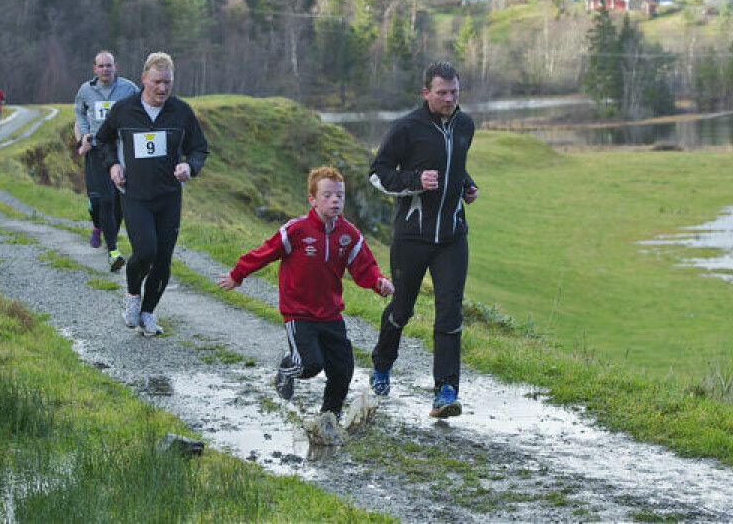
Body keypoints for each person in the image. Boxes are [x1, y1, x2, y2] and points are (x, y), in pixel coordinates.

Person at [218, 166, 393, 426]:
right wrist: (238, 274)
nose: (335, 200)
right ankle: (287, 366)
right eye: (327, 195)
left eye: (340, 196)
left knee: (343, 370)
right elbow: (265, 252)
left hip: (330, 314)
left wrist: (380, 283)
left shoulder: (349, 235)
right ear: (312, 199)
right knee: (310, 366)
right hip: (298, 313)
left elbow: (364, 268)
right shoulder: (296, 230)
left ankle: (329, 419)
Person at [367, 61, 479, 419]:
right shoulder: (407, 128)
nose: (450, 99)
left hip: (451, 236)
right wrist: (415, 180)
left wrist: (466, 185)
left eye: (454, 92)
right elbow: (378, 174)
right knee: (402, 309)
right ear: (426, 92)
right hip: (412, 237)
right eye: (442, 92)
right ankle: (382, 364)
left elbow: (453, 163)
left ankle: (446, 391)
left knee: (449, 312)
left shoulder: (465, 125)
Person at [94, 52, 208, 337]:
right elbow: (103, 140)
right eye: (156, 82)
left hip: (169, 196)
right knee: (145, 251)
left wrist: (189, 166)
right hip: (135, 195)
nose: (162, 89)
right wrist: (113, 165)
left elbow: (199, 148)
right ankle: (133, 296)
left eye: (167, 83)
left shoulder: (181, 112)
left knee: (163, 259)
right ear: (144, 78)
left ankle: (148, 313)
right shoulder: (124, 110)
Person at [74, 50, 139, 271]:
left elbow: (141, 108)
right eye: (101, 66)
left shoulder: (128, 89)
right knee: (102, 200)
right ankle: (110, 245)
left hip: (121, 150)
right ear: (95, 69)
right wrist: (84, 136)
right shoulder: (85, 90)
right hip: (97, 150)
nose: (105, 69)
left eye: (108, 66)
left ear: (115, 67)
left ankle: (111, 242)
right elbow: (79, 113)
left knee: (117, 199)